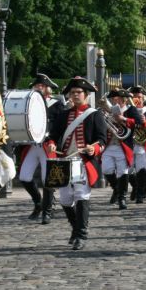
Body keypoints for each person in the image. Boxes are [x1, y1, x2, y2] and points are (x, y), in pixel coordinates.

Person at [45, 77, 107, 250]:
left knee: (81, 195)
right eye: (72, 93)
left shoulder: (95, 115)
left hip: (82, 161)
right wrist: (51, 143)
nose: (75, 95)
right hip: (64, 160)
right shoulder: (64, 115)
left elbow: (102, 140)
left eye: (78, 92)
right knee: (65, 199)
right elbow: (53, 135)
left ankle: (81, 234)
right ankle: (76, 228)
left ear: (86, 95)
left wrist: (93, 149)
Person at [18, 74, 63, 224]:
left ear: (47, 89)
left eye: (41, 86)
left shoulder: (56, 104)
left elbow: (59, 127)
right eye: (36, 85)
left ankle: (47, 211)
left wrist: (54, 141)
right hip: (31, 145)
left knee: (48, 179)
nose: (38, 87)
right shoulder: (27, 104)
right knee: (24, 177)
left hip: (47, 144)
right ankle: (38, 203)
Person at [100, 88, 144, 210]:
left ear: (123, 99)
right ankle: (117, 189)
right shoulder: (108, 111)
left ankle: (122, 198)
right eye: (113, 99)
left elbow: (139, 123)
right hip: (109, 144)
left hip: (123, 145)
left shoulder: (131, 110)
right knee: (106, 169)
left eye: (117, 98)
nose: (115, 101)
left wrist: (124, 119)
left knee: (122, 172)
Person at [128, 86, 146, 203]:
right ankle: (136, 186)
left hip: (142, 143)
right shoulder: (128, 110)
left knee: (141, 169)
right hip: (129, 143)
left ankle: (140, 194)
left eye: (139, 97)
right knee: (128, 171)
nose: (137, 99)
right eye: (135, 97)